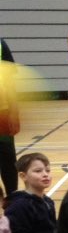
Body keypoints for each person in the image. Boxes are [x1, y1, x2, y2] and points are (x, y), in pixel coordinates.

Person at [5, 152, 56, 233]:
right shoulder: (19, 206)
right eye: (38, 171)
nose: (45, 175)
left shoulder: (48, 201)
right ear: (23, 176)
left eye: (47, 171)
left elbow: (52, 229)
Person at [0, 37, 17, 196]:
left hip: (2, 113)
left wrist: (13, 111)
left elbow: (11, 81)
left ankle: (13, 199)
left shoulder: (1, 44)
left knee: (7, 158)